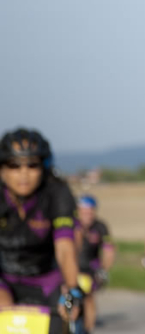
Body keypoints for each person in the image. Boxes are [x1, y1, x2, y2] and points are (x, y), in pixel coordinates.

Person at [0, 128, 83, 334]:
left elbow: (65, 247)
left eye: (32, 165)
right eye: (14, 165)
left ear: (44, 167)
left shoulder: (56, 192)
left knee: (70, 318)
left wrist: (72, 290)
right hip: (4, 279)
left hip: (46, 279)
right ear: (2, 170)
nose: (24, 173)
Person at [75, 195, 115, 333]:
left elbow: (109, 250)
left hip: (91, 268)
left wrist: (104, 270)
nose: (87, 215)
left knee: (88, 296)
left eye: (90, 211)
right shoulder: (73, 225)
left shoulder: (100, 227)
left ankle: (88, 328)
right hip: (73, 267)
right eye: (84, 211)